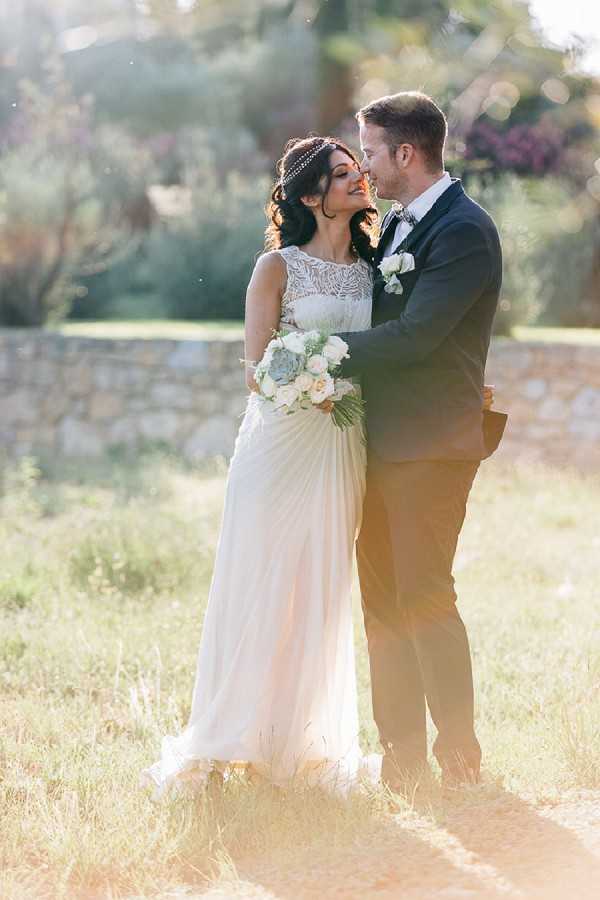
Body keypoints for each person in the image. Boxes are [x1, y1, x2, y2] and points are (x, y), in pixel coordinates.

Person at [142, 135, 379, 795]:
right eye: (341, 174)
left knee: (321, 588)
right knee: (261, 580)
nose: (358, 179)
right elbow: (256, 372)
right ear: (310, 196)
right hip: (281, 441)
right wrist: (312, 380)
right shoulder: (277, 268)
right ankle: (222, 741)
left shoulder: (373, 266)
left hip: (342, 444)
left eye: (357, 169)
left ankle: (297, 744)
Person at [336, 92, 504, 792]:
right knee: (380, 603)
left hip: (433, 447)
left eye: (371, 152)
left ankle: (458, 755)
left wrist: (318, 352)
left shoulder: (463, 230)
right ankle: (399, 753)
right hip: (377, 444)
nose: (366, 168)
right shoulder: (399, 225)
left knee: (426, 594)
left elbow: (417, 337)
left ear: (406, 153)